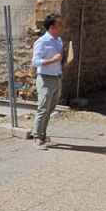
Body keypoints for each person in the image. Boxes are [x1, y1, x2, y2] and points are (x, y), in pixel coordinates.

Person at [29, 14, 66, 146]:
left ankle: (43, 135)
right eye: (59, 25)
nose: (61, 27)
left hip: (57, 77)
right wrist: (52, 60)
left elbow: (59, 59)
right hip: (45, 78)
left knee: (50, 109)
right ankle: (37, 136)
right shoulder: (42, 41)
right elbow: (35, 62)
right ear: (52, 27)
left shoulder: (59, 41)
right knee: (43, 108)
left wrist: (64, 62)